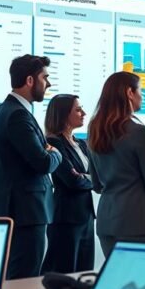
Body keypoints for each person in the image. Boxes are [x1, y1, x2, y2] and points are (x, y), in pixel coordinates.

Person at [88, 72, 145, 258]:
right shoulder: (138, 131)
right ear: (129, 93)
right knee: (141, 284)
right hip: (138, 223)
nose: (142, 95)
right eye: (140, 90)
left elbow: (97, 184)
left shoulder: (94, 129)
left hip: (107, 223)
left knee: (114, 282)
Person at [0, 54, 62, 280]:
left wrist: (47, 149)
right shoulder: (18, 116)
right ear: (30, 80)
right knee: (24, 281)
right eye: (45, 78)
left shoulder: (0, 112)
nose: (48, 84)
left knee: (13, 279)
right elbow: (44, 162)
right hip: (26, 213)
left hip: (10, 210)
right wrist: (55, 152)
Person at [40, 94, 95, 274]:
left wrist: (85, 178)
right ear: (63, 114)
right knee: (65, 274)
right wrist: (87, 179)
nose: (84, 113)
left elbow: (97, 176)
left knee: (84, 274)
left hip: (86, 216)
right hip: (66, 218)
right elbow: (72, 181)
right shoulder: (53, 142)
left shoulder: (81, 143)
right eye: (78, 110)